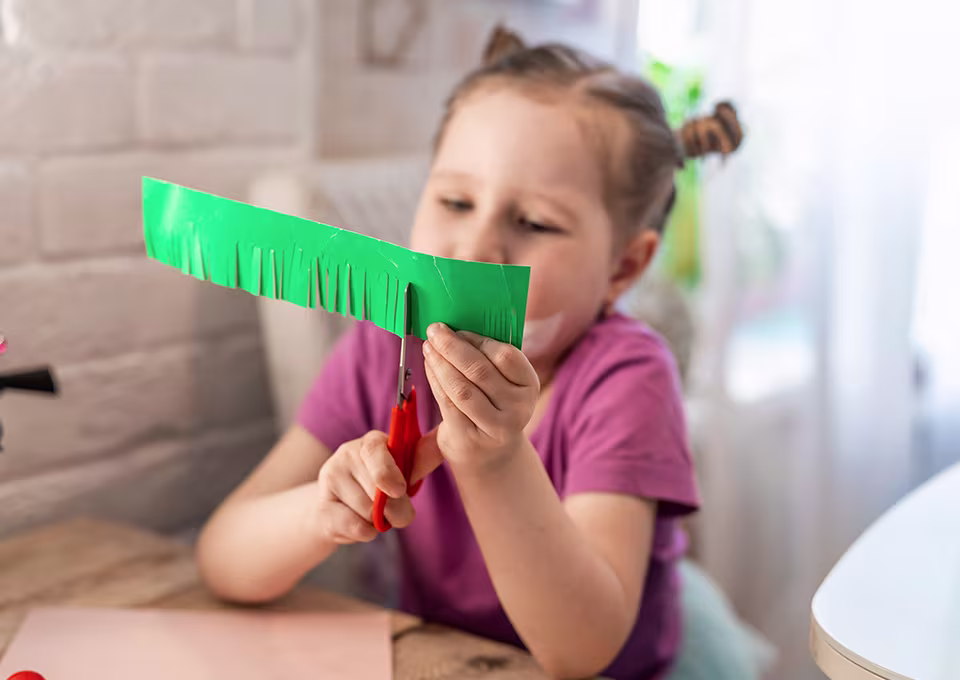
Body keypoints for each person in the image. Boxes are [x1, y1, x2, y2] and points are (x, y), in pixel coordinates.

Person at [196, 25, 743, 680]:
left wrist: (495, 459)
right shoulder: (382, 347)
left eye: (534, 222)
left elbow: (581, 651)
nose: (475, 249)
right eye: (456, 201)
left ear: (622, 268)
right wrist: (321, 510)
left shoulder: (627, 377)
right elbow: (223, 559)